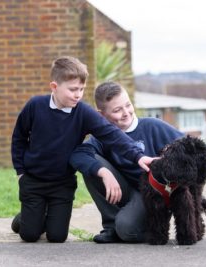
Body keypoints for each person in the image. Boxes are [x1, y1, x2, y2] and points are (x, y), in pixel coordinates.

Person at [11, 56, 153, 243]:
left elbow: (111, 134)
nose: (78, 94)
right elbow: (19, 138)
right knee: (29, 235)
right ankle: (27, 217)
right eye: (72, 90)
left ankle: (38, 215)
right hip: (33, 181)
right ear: (54, 87)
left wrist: (137, 156)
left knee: (57, 236)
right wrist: (20, 171)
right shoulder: (35, 106)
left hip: (62, 185)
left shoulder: (83, 113)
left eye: (81, 89)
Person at [70, 81, 184, 243]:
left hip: (154, 195)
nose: (126, 112)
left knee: (127, 230)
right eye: (117, 110)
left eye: (128, 105)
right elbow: (77, 155)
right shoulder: (101, 137)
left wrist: (168, 158)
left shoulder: (153, 126)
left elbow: (191, 147)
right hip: (128, 191)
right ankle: (111, 226)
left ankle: (149, 227)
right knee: (91, 161)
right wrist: (103, 172)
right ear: (101, 115)